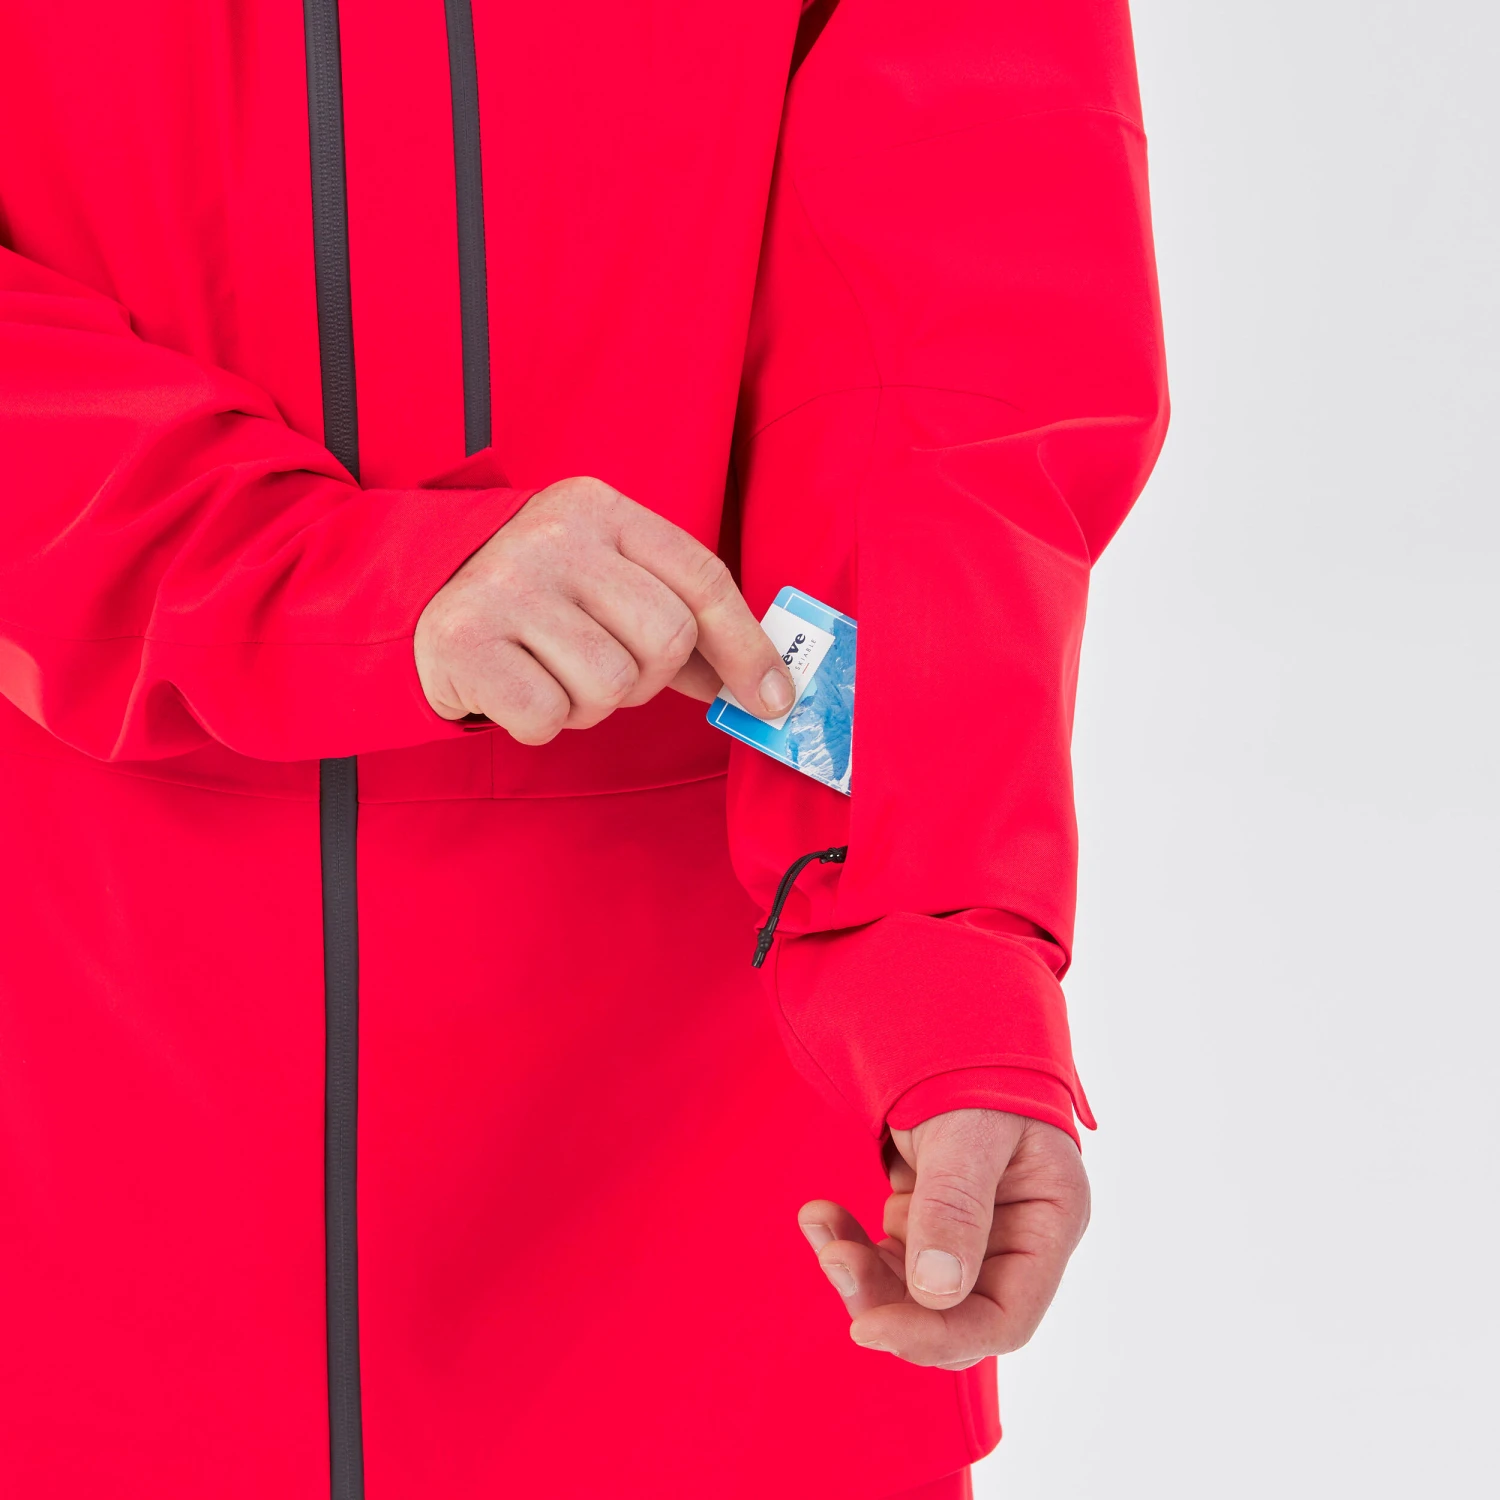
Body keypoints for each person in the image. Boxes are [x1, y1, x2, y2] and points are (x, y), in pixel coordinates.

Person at [0, 1, 1167, 1496]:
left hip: (698, 1159)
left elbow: (946, 365)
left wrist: (936, 954)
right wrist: (335, 581)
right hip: (72, 1079)